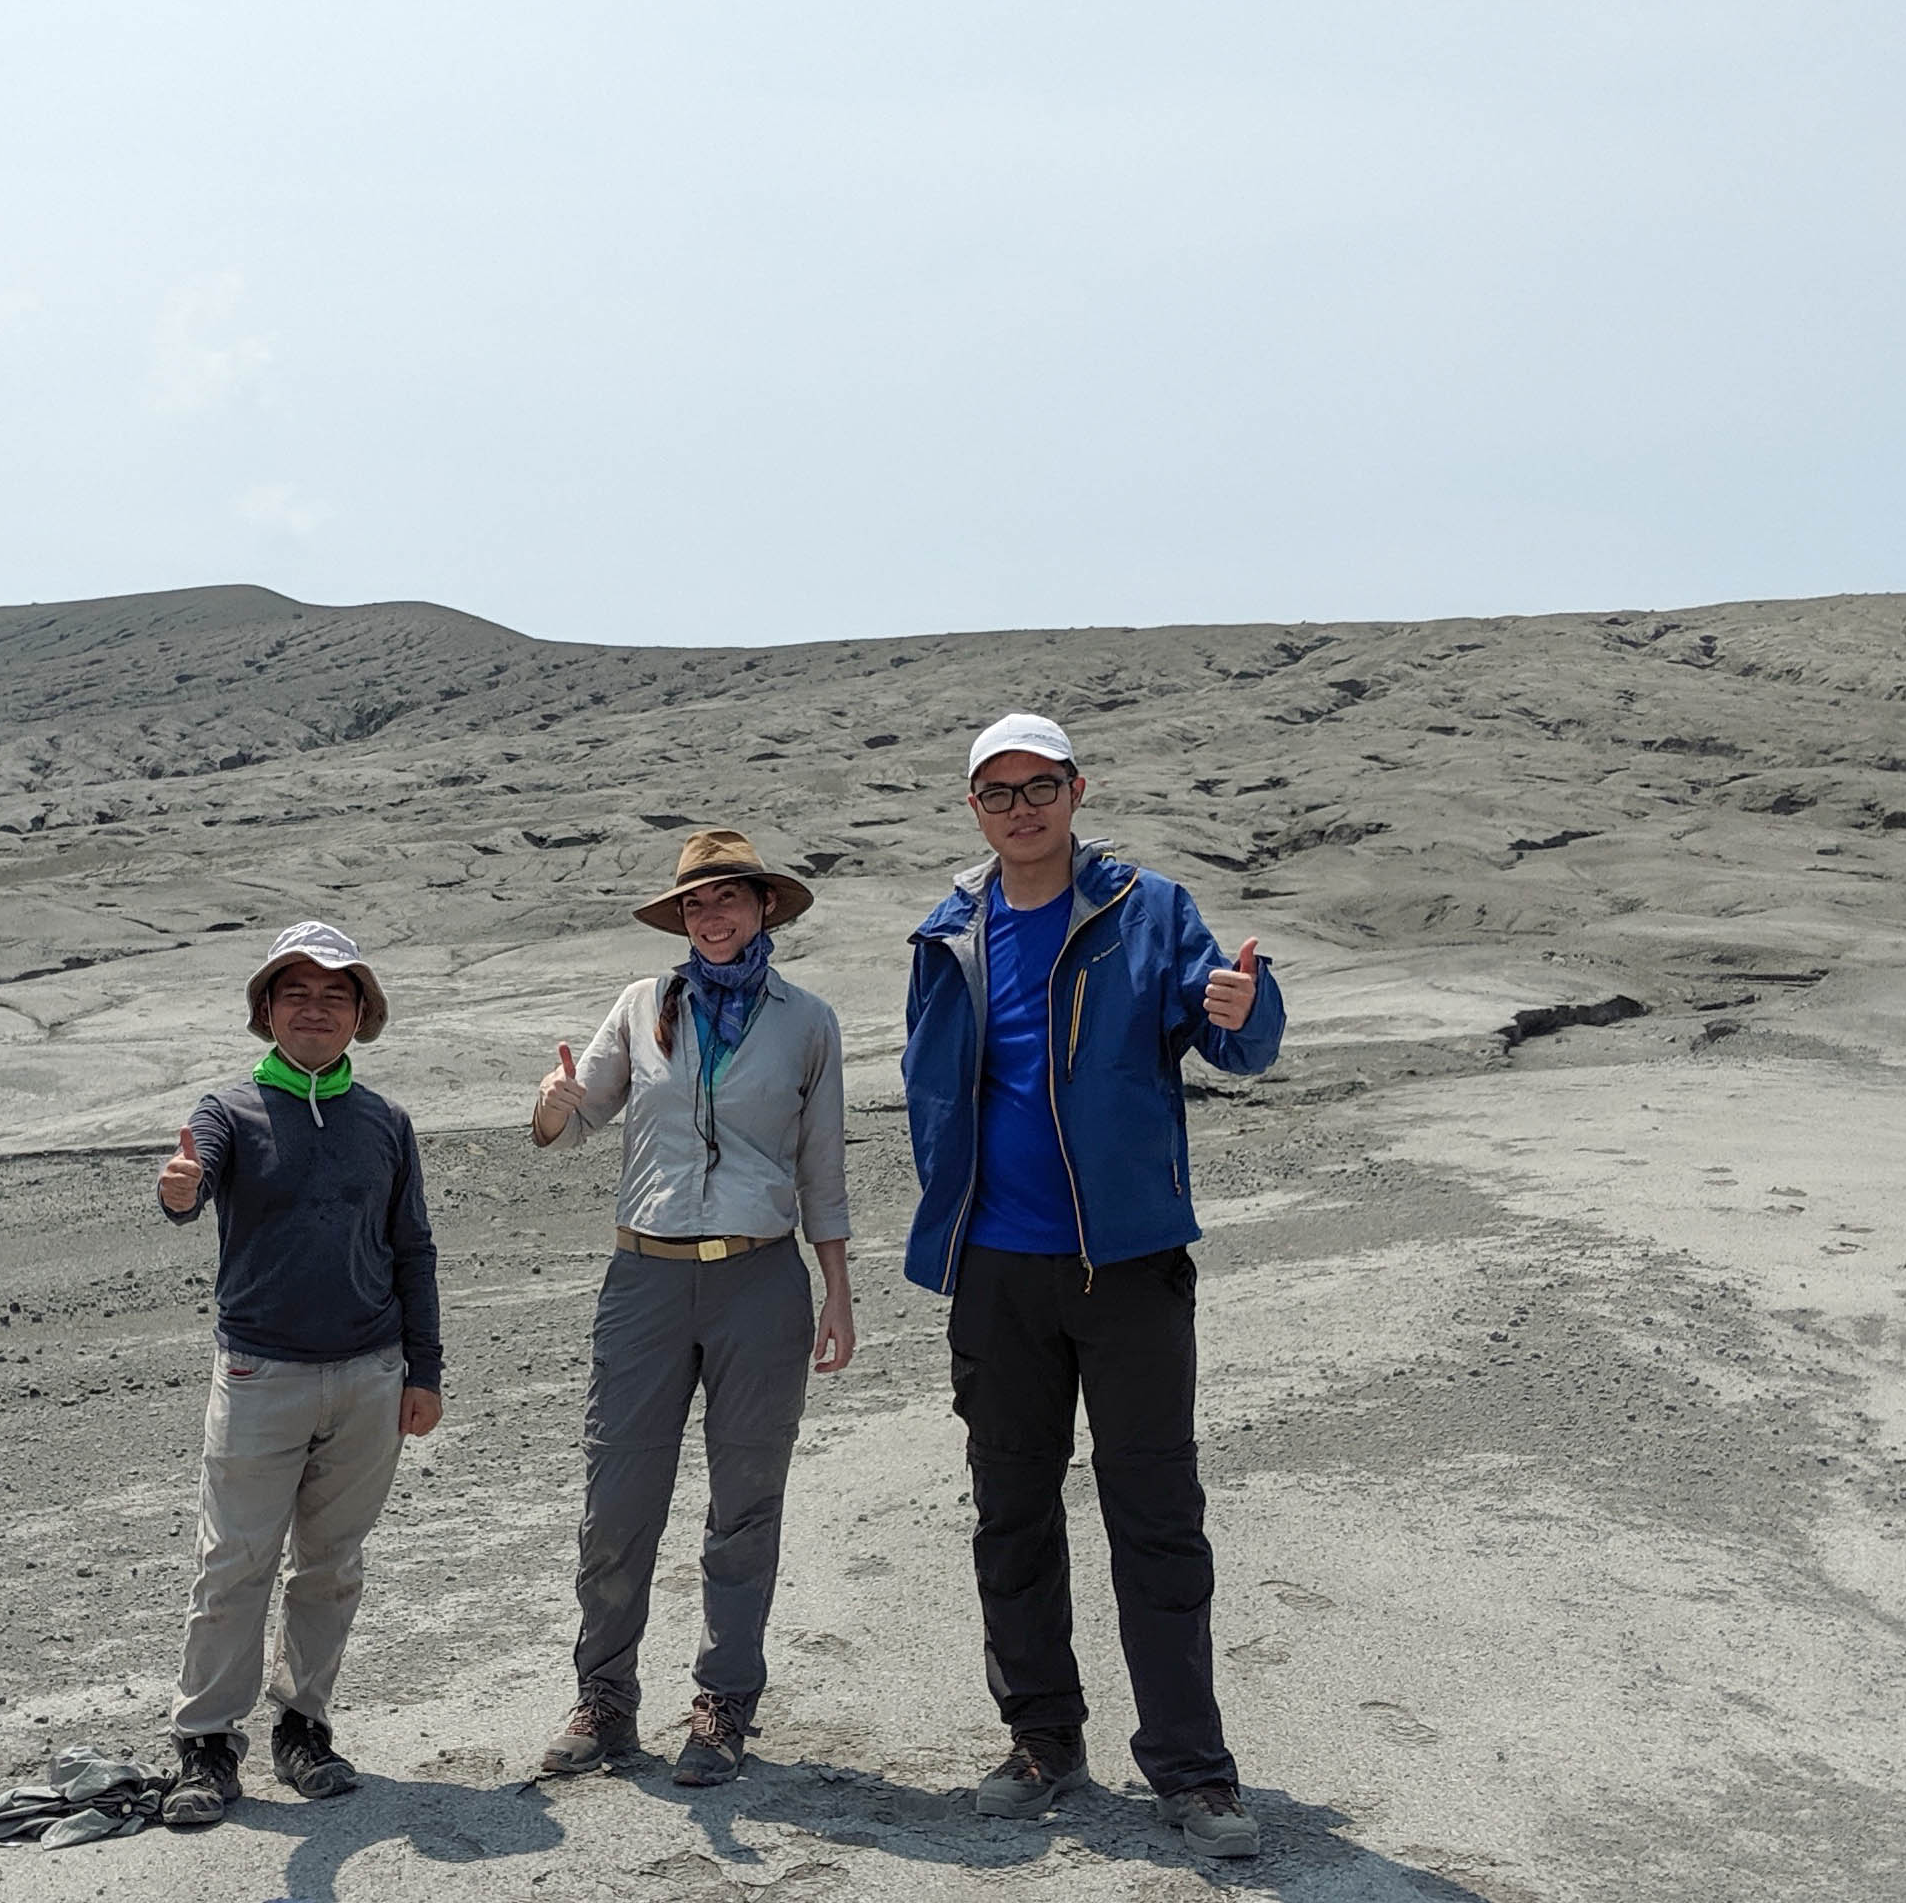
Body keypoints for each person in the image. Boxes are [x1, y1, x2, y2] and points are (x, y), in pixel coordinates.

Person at [900, 714, 1286, 1862]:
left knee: (1156, 1517)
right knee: (1010, 1511)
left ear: (1078, 789)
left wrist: (1244, 1011)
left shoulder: (1146, 911)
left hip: (1126, 1267)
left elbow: (1236, 1045)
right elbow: (930, 1087)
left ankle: (1191, 1770)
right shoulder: (948, 930)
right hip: (1000, 1272)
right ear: (974, 807)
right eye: (997, 791)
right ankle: (1042, 1738)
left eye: (1041, 786)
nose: (1021, 808)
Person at [526, 829, 855, 1787]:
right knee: (617, 1500)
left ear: (763, 910)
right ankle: (604, 1700)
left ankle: (722, 1702)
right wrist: (551, 1101)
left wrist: (836, 1290)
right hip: (645, 1281)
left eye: (729, 901)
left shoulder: (808, 1022)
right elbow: (572, 1119)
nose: (712, 918)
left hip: (761, 1280)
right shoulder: (639, 1007)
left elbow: (822, 1170)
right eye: (695, 906)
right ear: (680, 919)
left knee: (745, 1503)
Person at [150, 921, 445, 1829]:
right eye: (295, 994)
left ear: (362, 1015)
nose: (314, 1009)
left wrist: (422, 1370)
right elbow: (189, 1185)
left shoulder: (385, 1122)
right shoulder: (226, 1110)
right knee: (234, 1561)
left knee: (331, 1565)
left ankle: (303, 1728)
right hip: (260, 1373)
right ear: (265, 1011)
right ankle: (205, 1744)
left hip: (368, 1373)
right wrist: (177, 1190)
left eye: (335, 995)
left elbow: (412, 1248)